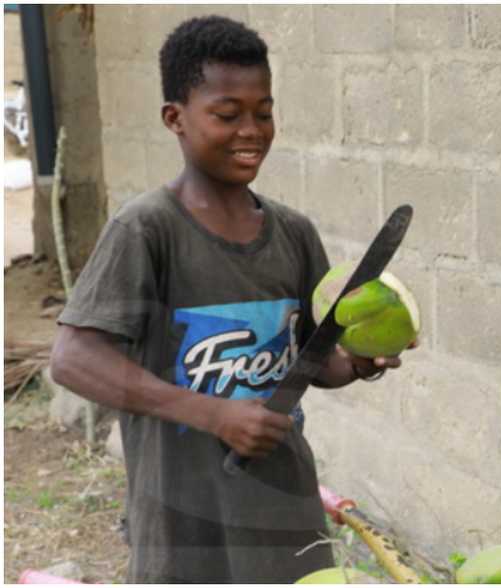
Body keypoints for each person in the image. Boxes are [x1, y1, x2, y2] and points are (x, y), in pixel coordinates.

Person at [49, 15, 405, 583]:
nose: (252, 130)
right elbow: (72, 359)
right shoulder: (146, 230)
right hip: (185, 526)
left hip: (286, 511)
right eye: (227, 114)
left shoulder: (293, 233)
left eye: (264, 112)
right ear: (175, 119)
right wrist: (214, 414)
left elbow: (316, 362)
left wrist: (361, 362)